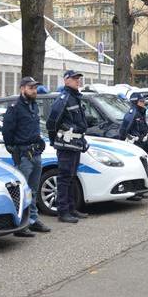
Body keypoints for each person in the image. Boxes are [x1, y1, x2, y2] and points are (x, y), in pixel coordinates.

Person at [2, 76, 51, 237]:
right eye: (31, 88)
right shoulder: (15, 108)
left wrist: (39, 141)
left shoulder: (33, 106)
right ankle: (21, 224)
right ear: (22, 89)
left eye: (35, 88)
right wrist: (13, 150)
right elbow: (7, 131)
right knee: (23, 191)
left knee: (33, 190)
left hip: (35, 153)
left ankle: (33, 220)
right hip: (23, 155)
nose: (34, 91)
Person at [46, 70, 90, 223]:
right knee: (64, 178)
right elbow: (51, 123)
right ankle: (63, 212)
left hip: (75, 144)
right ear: (66, 80)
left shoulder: (75, 97)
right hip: (66, 145)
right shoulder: (63, 99)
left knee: (71, 177)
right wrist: (55, 141)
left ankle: (71, 209)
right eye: (74, 78)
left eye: (78, 78)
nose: (78, 81)